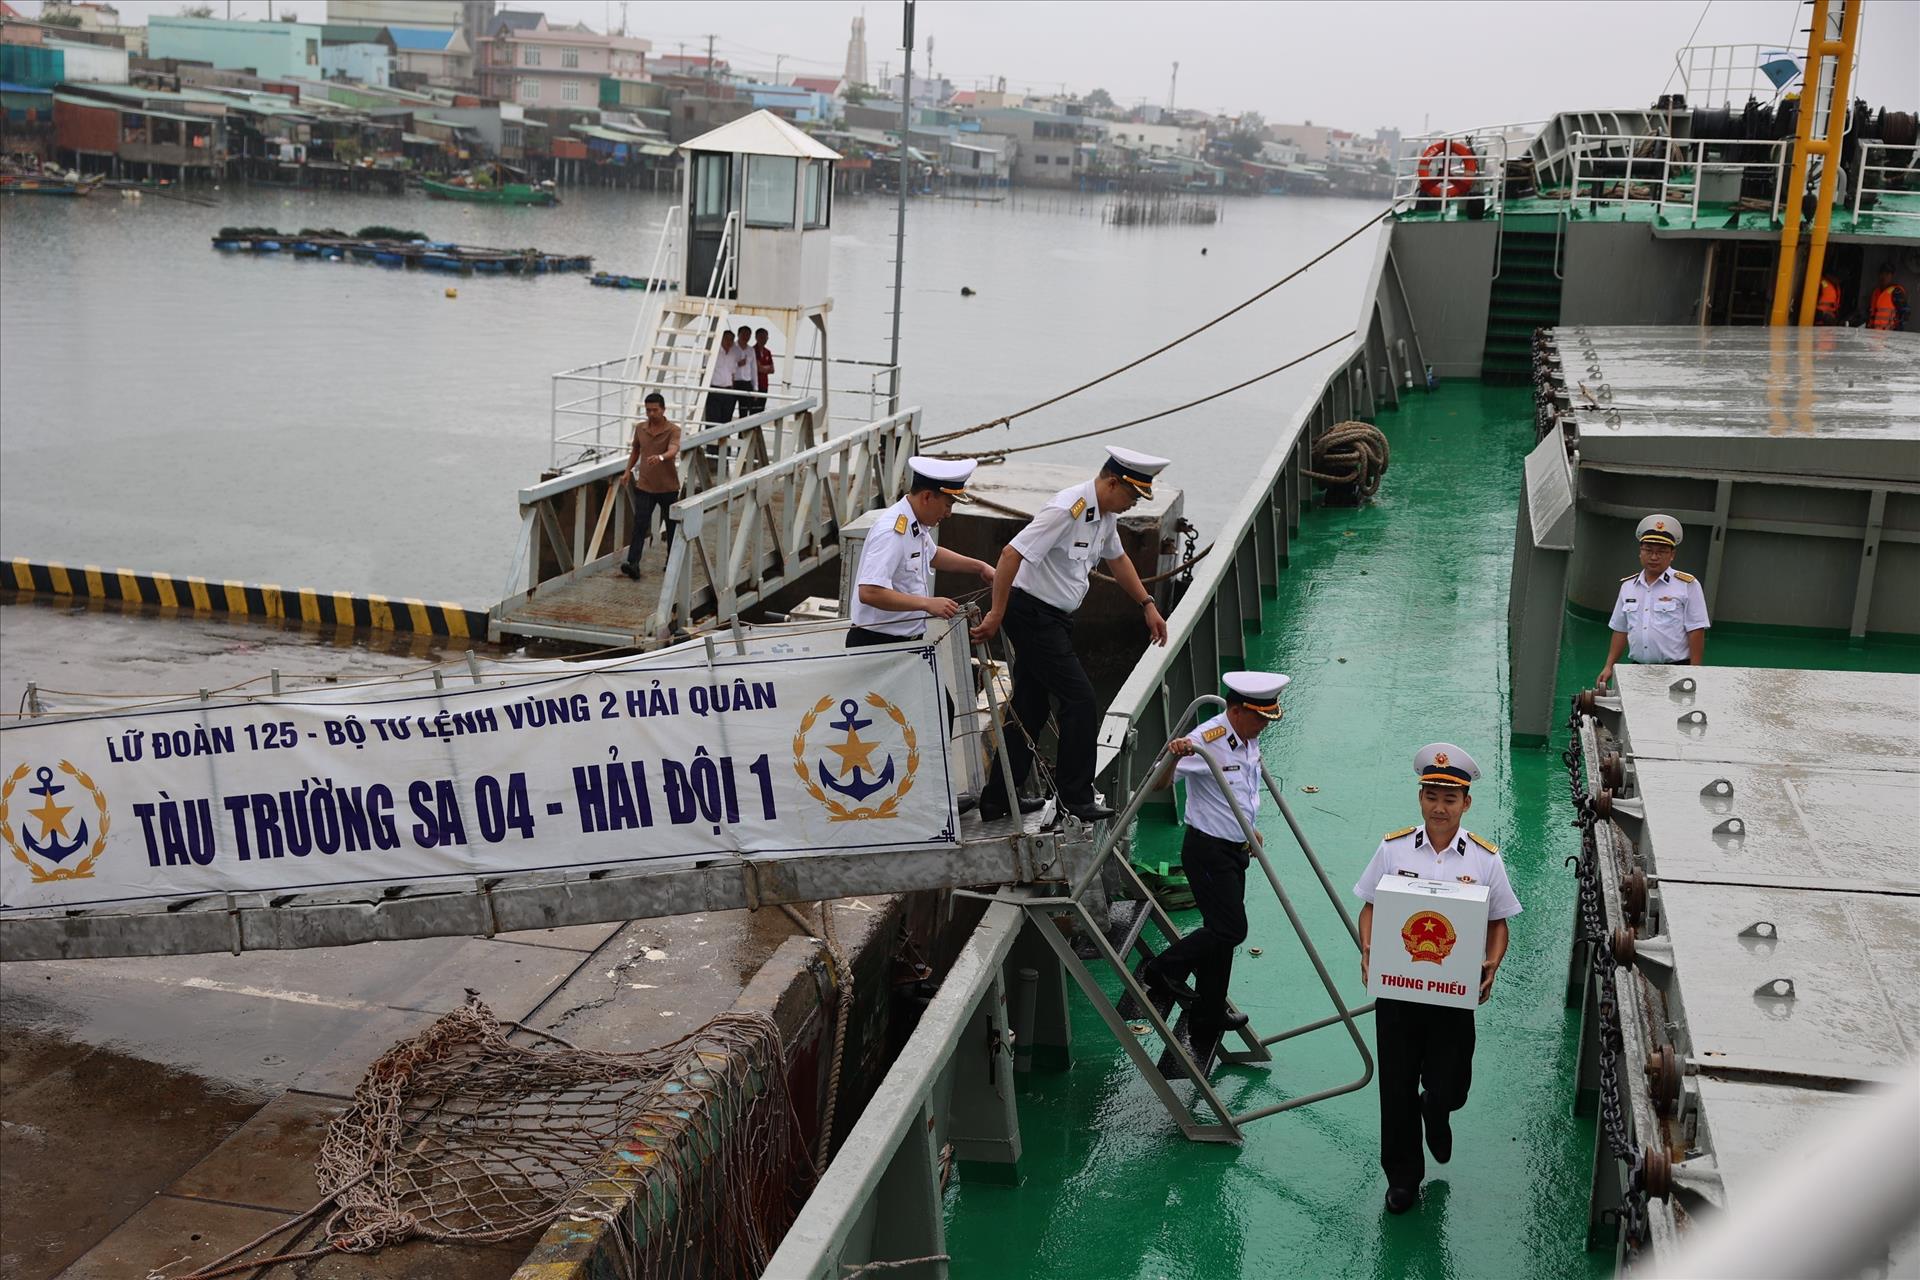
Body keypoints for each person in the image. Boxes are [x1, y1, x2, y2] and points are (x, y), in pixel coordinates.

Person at [1353, 743, 1520, 1214]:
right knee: (1396, 1085)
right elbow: (1370, 907)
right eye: (1431, 796)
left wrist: (1493, 963)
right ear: (1420, 798)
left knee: (1451, 1084)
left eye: (1450, 798)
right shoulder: (1393, 849)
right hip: (1400, 992)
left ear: (1466, 803)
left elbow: (1499, 920)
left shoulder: (1484, 860)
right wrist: (1368, 949)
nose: (1439, 807)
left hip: (1453, 994)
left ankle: (1439, 1109)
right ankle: (1403, 1178)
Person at [971, 446, 1170, 823]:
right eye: (1132, 494)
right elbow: (1011, 554)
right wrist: (997, 614)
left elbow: (1119, 559)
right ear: (1112, 482)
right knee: (1079, 700)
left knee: (1030, 706)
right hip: (1032, 614)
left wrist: (1147, 603)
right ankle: (1073, 797)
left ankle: (998, 798)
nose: (1133, 504)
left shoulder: (1104, 515)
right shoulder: (1068, 509)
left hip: (1053, 618)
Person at [1136, 671, 1289, 1078]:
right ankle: (1162, 969)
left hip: (1234, 849)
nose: (1264, 727)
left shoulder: (1247, 738)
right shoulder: (1207, 740)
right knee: (1229, 931)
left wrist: (1247, 829)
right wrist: (1174, 753)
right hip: (1206, 852)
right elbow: (1158, 783)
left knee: (1220, 937)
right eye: (1259, 718)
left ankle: (1208, 1014)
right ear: (1236, 711)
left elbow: (1240, 793)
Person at [848, 456, 995, 647]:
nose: (949, 513)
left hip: (903, 640)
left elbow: (932, 554)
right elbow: (869, 592)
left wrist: (979, 567)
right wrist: (926, 603)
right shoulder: (892, 532)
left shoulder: (914, 522)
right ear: (926, 497)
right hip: (878, 642)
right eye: (948, 505)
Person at [1596, 513, 1709, 688]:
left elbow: (1696, 630)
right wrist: (1608, 666)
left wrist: (1694, 672)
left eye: (1661, 551)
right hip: (1637, 671)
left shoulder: (1688, 585)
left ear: (1672, 554)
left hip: (1676, 671)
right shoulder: (1628, 586)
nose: (1654, 557)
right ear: (1640, 552)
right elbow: (1620, 629)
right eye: (1648, 550)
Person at [618, 393, 680, 581]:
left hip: (667, 486)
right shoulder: (640, 428)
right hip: (645, 484)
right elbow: (636, 450)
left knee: (671, 527)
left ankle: (672, 561)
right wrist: (628, 471)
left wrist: (661, 457)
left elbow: (674, 449)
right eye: (648, 410)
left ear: (663, 409)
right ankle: (633, 563)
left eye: (655, 410)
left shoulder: (673, 430)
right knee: (639, 524)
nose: (651, 414)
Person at [705, 330, 740, 425]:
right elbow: (705, 370)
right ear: (721, 339)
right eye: (727, 339)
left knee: (726, 419)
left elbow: (733, 373)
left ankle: (723, 439)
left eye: (731, 340)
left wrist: (732, 390)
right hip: (714, 390)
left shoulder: (733, 354)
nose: (729, 342)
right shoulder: (713, 353)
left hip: (728, 391)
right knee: (713, 419)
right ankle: (711, 439)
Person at [1866, 263, 1909, 331]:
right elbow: (1870, 313)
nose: (1884, 276)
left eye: (1887, 274)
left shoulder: (1896, 292)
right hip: (1874, 334)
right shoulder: (1876, 292)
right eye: (1882, 273)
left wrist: (1896, 331)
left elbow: (1905, 313)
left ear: (1891, 276)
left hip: (1889, 335)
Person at [730, 323, 758, 418]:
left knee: (744, 413)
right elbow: (727, 366)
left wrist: (755, 388)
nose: (746, 337)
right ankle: (726, 433)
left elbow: (754, 369)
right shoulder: (732, 347)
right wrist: (737, 364)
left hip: (746, 383)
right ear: (738, 334)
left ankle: (742, 433)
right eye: (744, 334)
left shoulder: (751, 350)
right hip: (734, 382)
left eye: (748, 335)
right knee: (729, 410)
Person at [752, 327, 775, 415]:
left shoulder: (767, 352)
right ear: (756, 337)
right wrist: (766, 368)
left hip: (764, 385)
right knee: (754, 409)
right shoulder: (753, 350)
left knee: (761, 409)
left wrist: (763, 368)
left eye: (765, 337)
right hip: (755, 384)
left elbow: (772, 369)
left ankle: (757, 428)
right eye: (761, 337)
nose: (764, 339)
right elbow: (758, 368)